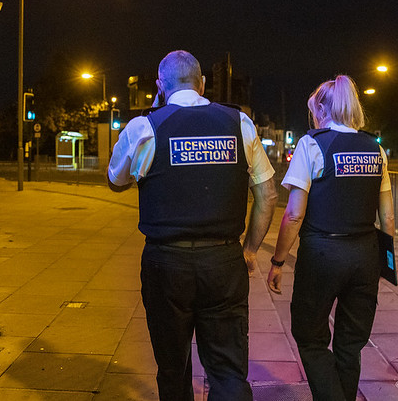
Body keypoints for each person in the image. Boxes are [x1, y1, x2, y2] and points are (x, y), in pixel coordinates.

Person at [107, 50, 278, 401]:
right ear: (202, 84)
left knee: (173, 368)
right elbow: (269, 194)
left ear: (160, 86)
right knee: (228, 372)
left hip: (166, 265)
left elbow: (115, 180)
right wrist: (250, 250)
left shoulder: (145, 127)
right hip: (224, 261)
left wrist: (158, 110)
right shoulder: (238, 123)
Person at [267, 75, 395, 401]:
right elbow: (388, 218)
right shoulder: (375, 148)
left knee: (309, 336)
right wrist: (384, 262)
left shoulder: (313, 144)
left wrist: (278, 261)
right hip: (365, 253)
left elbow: (294, 214)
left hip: (322, 253)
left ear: (323, 108)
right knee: (351, 343)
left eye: (314, 110)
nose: (313, 117)